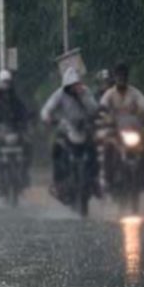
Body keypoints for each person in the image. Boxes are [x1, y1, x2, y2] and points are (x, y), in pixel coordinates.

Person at [41, 67, 100, 200]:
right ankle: (58, 183)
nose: (73, 89)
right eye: (70, 86)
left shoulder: (85, 92)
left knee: (95, 149)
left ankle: (95, 182)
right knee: (56, 149)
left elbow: (94, 109)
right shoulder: (59, 94)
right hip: (66, 129)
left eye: (75, 85)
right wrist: (48, 119)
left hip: (84, 128)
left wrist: (83, 96)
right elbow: (46, 109)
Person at [99, 62, 144, 189]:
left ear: (127, 77)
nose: (121, 79)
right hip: (114, 130)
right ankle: (108, 178)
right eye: (118, 76)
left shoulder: (135, 93)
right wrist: (104, 117)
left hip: (132, 129)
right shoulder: (109, 94)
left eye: (123, 76)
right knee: (107, 146)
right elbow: (102, 107)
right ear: (115, 77)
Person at [0, 69, 30, 188]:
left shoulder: (16, 99)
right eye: (4, 82)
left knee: (28, 144)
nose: (6, 85)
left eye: (8, 82)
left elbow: (23, 111)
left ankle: (24, 174)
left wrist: (27, 121)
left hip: (15, 131)